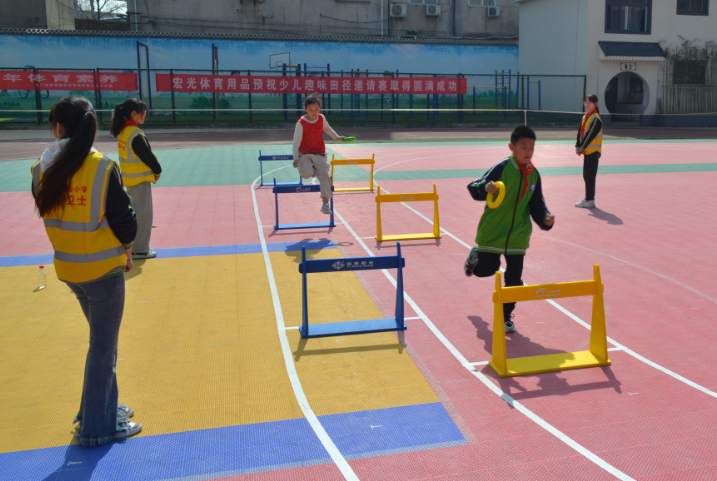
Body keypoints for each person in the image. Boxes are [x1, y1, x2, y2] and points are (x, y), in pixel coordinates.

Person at [31, 96, 141, 446]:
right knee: (103, 350)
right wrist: (127, 250)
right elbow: (125, 220)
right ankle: (97, 428)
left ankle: (101, 409)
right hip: (103, 270)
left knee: (102, 347)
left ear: (58, 128)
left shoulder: (41, 169)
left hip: (69, 269)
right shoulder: (101, 167)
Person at [464, 125, 555, 333]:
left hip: (517, 236)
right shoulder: (502, 167)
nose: (528, 152)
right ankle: (473, 258)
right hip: (493, 232)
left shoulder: (534, 174)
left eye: (532, 148)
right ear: (511, 147)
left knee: (514, 280)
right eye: (523, 147)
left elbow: (537, 204)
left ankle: (505, 317)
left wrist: (545, 219)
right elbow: (474, 186)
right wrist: (485, 188)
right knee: (487, 270)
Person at [111, 98, 162, 259]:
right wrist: (157, 170)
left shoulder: (123, 131)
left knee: (136, 213)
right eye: (143, 112)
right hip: (140, 180)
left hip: (129, 179)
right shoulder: (134, 133)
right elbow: (146, 155)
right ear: (134, 113)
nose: (144, 115)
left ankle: (132, 247)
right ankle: (140, 249)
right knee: (143, 216)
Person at [292, 95, 346, 214]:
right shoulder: (301, 123)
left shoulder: (321, 118)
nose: (314, 112)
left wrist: (337, 137)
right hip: (305, 153)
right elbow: (296, 142)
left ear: (320, 108)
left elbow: (327, 128)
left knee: (324, 176)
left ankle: (325, 203)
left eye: (316, 109)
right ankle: (318, 169)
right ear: (305, 109)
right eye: (311, 110)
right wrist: (295, 158)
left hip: (319, 152)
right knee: (306, 174)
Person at [574, 94, 603, 209]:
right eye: (585, 102)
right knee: (586, 176)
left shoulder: (596, 119)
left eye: (589, 102)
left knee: (590, 176)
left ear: (595, 104)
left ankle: (590, 200)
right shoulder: (585, 117)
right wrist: (578, 145)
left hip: (593, 152)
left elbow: (590, 135)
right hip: (587, 151)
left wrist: (582, 147)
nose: (586, 104)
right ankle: (588, 199)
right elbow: (580, 133)